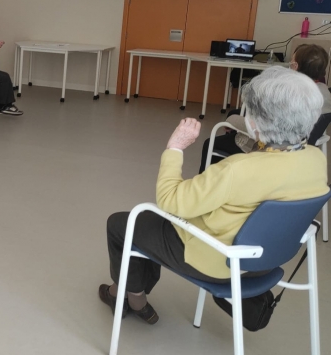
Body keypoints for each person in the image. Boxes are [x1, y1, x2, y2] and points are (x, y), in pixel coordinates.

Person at [100, 67, 328, 324]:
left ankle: (130, 297)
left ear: (256, 121)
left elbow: (171, 201)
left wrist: (175, 148)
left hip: (219, 262)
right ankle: (130, 295)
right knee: (150, 226)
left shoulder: (236, 170)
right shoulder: (316, 159)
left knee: (123, 224)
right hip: (266, 261)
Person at [198, 44, 331, 173]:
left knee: (214, 139)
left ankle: (215, 182)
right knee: (235, 115)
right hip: (303, 145)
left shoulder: (289, 94)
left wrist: (232, 121)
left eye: (291, 63)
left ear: (295, 66)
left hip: (274, 146)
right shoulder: (324, 93)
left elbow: (266, 127)